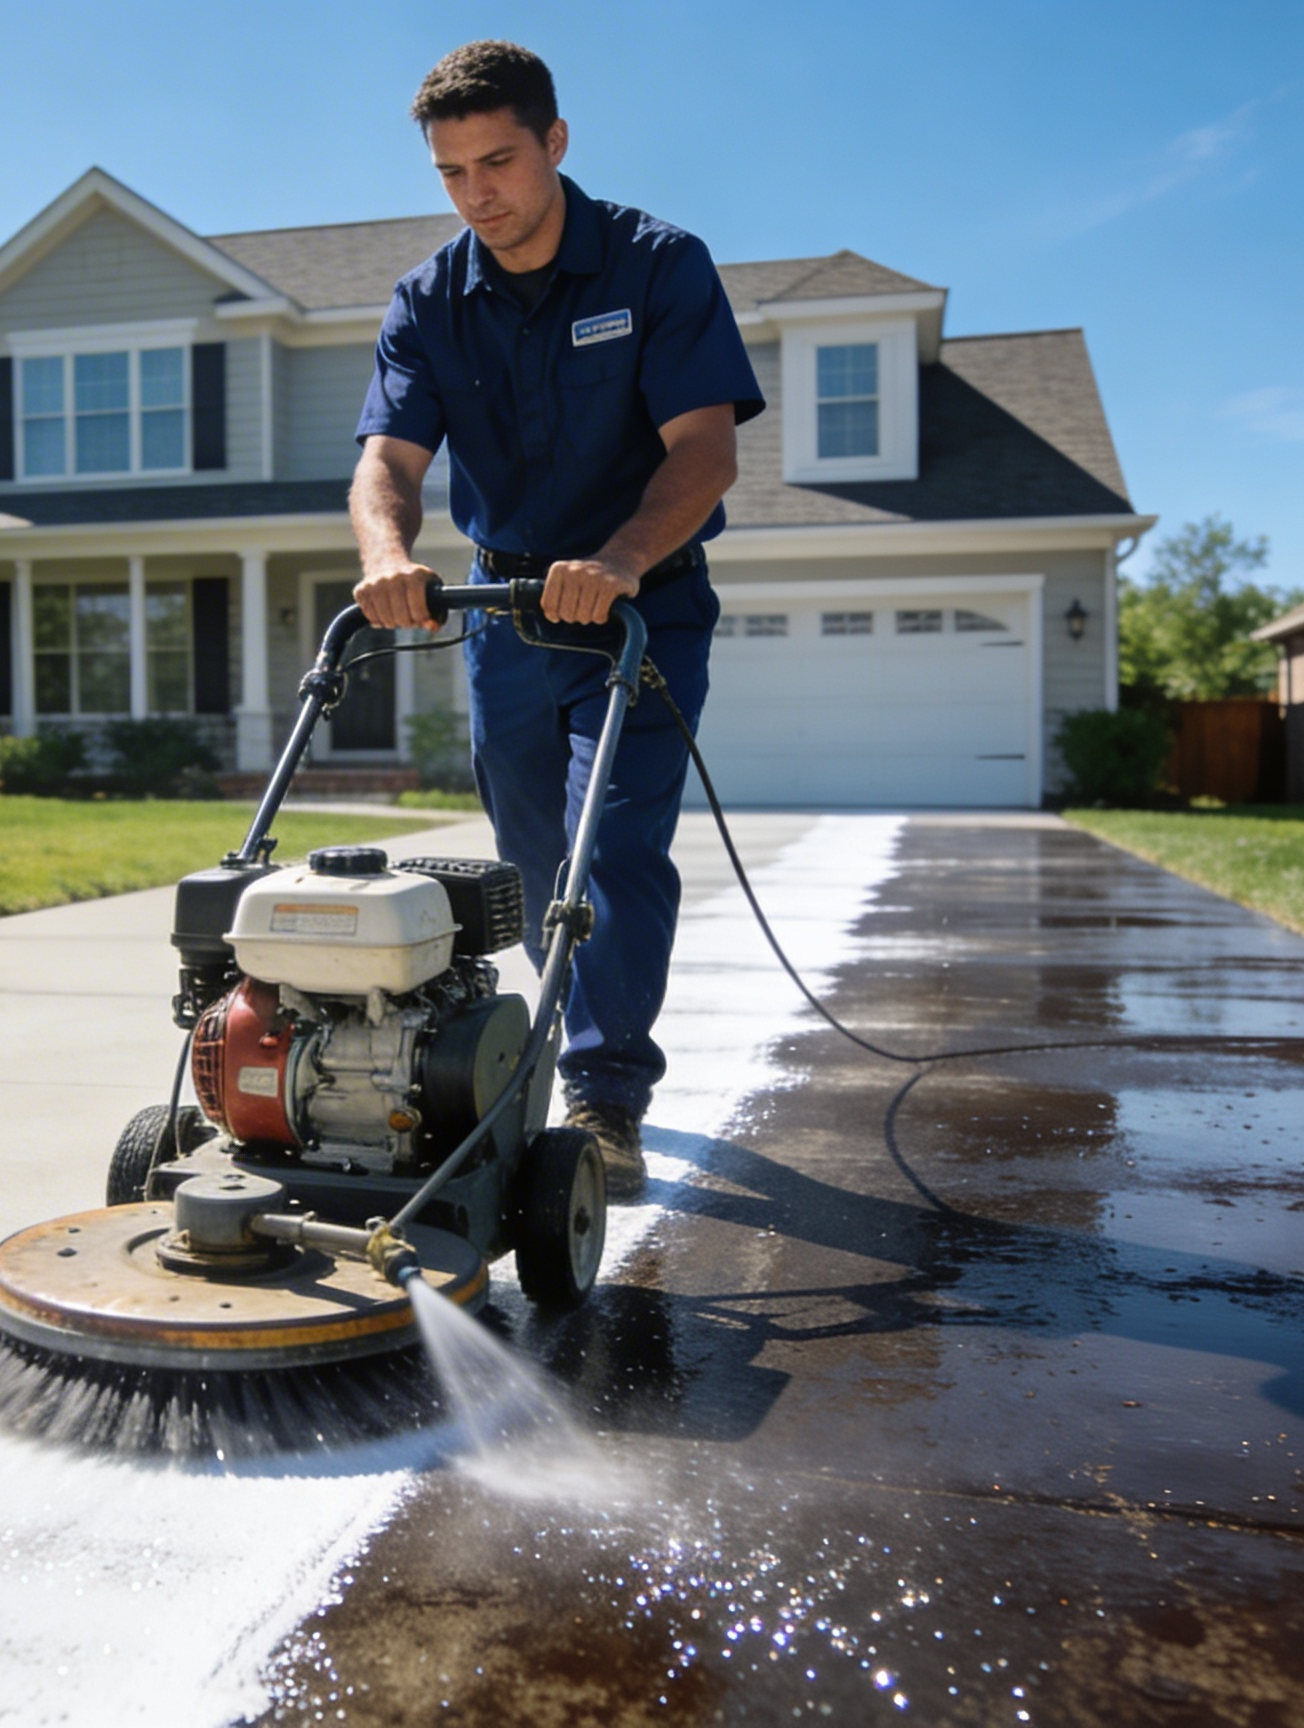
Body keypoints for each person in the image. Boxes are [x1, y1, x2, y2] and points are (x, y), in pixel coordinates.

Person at [350, 40, 763, 1201]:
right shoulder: (431, 300)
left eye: (499, 160)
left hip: (642, 610)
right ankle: (568, 1034)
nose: (480, 192)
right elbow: (388, 455)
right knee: (534, 865)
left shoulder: (656, 266)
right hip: (502, 619)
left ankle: (606, 1092)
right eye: (452, 172)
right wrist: (387, 554)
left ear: (555, 143)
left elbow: (706, 450)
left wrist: (623, 557)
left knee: (614, 848)